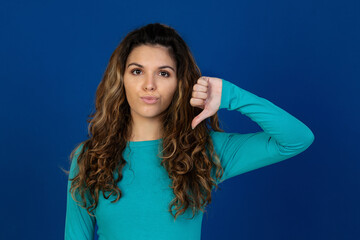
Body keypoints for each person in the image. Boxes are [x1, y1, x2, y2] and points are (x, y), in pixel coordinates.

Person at [64, 22, 315, 240]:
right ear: (121, 79)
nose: (149, 85)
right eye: (137, 71)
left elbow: (296, 139)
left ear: (179, 83)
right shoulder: (89, 158)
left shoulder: (203, 152)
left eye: (163, 73)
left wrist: (230, 95)